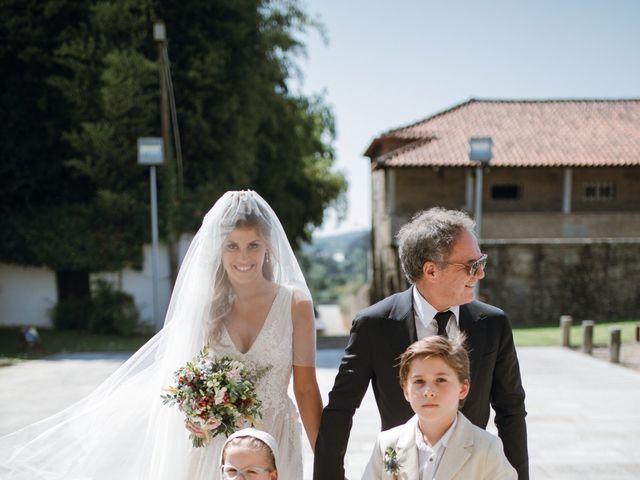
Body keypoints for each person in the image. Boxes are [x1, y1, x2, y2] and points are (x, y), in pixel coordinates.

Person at [0, 190, 322, 480]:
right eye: (232, 246)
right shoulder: (205, 308)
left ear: (268, 246)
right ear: (219, 251)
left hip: (275, 440)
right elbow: (184, 379)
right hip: (213, 445)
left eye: (253, 245)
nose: (243, 257)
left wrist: (328, 462)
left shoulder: (294, 304)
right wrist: (194, 415)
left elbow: (306, 389)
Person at [314, 207, 528, 479]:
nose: (481, 274)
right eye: (472, 266)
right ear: (431, 270)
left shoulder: (493, 323)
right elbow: (341, 410)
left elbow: (511, 410)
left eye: (481, 263)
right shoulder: (374, 325)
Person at [362, 334, 517, 480]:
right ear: (406, 391)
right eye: (419, 381)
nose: (428, 392)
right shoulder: (387, 444)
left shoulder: (486, 448)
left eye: (441, 380)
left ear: (463, 389)